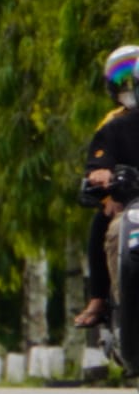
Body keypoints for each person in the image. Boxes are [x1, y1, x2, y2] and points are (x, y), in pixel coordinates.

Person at [76, 45, 139, 328]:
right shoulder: (116, 126)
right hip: (130, 205)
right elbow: (99, 163)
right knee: (111, 229)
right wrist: (103, 179)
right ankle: (110, 303)